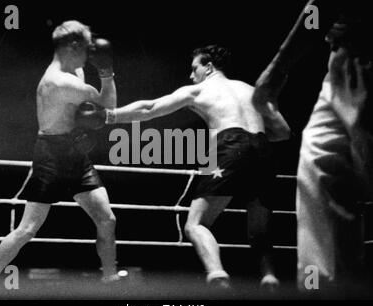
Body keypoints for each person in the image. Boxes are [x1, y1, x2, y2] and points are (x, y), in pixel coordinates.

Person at [87, 45, 291, 289]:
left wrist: (108, 116)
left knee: (196, 224)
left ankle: (217, 275)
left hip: (228, 144)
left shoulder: (198, 90)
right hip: (263, 148)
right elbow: (283, 132)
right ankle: (270, 277)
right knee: (260, 232)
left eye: (195, 68)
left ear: (209, 67)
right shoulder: (251, 91)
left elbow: (149, 108)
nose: (191, 75)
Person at [0, 20, 120, 285]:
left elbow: (80, 112)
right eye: (87, 45)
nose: (91, 50)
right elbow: (108, 106)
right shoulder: (59, 82)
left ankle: (111, 280)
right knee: (27, 229)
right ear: (74, 46)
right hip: (51, 158)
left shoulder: (73, 71)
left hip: (75, 154)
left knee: (106, 218)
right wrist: (106, 70)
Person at [252, 0, 373, 292]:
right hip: (344, 60)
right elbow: (320, 10)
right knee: (317, 168)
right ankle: (319, 289)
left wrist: (278, 68)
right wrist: (279, 67)